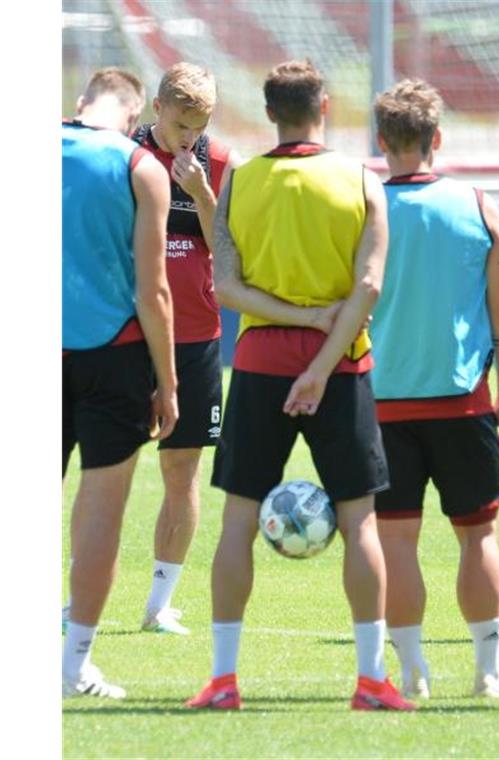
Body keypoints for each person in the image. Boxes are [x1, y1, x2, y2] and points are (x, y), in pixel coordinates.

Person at [185, 59, 413, 712]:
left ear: (269, 113)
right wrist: (319, 358)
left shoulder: (242, 180)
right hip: (340, 366)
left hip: (257, 360)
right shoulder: (360, 178)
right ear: (325, 108)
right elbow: (367, 287)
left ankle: (223, 680)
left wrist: (295, 319)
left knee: (238, 518)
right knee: (359, 523)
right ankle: (371, 680)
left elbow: (224, 286)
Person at [369, 79, 499, 701]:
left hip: (381, 403)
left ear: (382, 141)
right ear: (438, 138)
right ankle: (489, 673)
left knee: (396, 541)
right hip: (464, 401)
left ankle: (412, 672)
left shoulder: (365, 207)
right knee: (479, 535)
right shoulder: (477, 205)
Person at [63, 67, 178, 698]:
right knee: (102, 515)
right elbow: (153, 289)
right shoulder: (142, 167)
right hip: (116, 356)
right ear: (134, 117)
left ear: (80, 103)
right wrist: (168, 382)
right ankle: (74, 663)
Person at [130, 62, 240, 635]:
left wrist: (201, 192)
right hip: (124, 335)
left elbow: (233, 252)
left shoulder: (221, 165)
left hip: (196, 337)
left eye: (199, 127)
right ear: (156, 110)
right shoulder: (123, 155)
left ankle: (158, 604)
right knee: (104, 467)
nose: (188, 138)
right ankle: (74, 596)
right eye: (179, 127)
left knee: (182, 471)